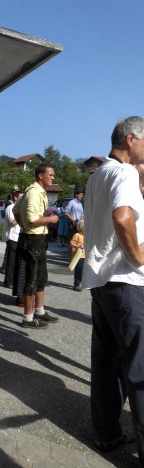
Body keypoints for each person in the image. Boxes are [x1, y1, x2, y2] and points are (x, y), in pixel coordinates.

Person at [82, 116, 144, 464]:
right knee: (140, 367)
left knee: (107, 363)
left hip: (103, 282)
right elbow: (122, 218)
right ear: (131, 139)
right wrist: (137, 256)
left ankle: (106, 433)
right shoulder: (123, 174)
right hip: (126, 282)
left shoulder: (98, 176)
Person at [12, 164, 59, 329]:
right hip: (33, 239)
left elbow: (16, 210)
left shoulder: (35, 191)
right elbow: (32, 219)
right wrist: (51, 220)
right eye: (50, 175)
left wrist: (22, 224)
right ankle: (28, 318)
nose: (53, 178)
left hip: (37, 238)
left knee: (41, 276)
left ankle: (39, 311)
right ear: (41, 176)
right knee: (32, 279)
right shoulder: (33, 192)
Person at [3, 190, 23, 289]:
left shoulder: (21, 208)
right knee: (11, 261)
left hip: (19, 236)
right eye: (21, 197)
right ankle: (8, 281)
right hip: (12, 237)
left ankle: (14, 280)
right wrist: (22, 214)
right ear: (15, 198)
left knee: (17, 261)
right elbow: (13, 222)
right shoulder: (10, 208)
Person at [70, 219, 85, 292]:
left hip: (84, 256)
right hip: (78, 256)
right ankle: (76, 285)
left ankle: (80, 283)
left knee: (82, 270)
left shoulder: (86, 235)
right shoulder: (77, 235)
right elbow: (71, 243)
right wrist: (78, 246)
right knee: (78, 271)